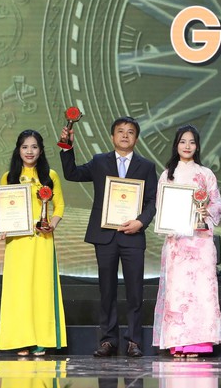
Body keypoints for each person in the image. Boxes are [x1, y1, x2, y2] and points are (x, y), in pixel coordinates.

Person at [59, 116, 157, 357]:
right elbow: (72, 173)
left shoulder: (146, 166)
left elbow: (152, 201)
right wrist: (67, 146)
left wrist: (140, 222)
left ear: (136, 138)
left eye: (130, 132)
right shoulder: (99, 161)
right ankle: (108, 340)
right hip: (105, 236)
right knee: (107, 290)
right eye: (120, 131)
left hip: (133, 235)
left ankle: (134, 341)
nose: (125, 135)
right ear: (112, 136)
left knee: (135, 291)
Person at [152, 125, 221, 358]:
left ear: (197, 146)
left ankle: (200, 343)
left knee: (202, 291)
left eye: (192, 142)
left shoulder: (206, 173)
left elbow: (217, 203)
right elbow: (161, 206)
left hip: (201, 242)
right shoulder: (167, 175)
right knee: (178, 291)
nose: (187, 146)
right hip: (178, 243)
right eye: (183, 141)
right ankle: (178, 342)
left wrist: (206, 211)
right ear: (176, 145)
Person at [0, 130, 66, 356]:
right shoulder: (9, 177)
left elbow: (59, 206)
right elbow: (3, 209)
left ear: (41, 150)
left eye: (34, 147)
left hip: (42, 241)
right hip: (17, 243)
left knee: (41, 289)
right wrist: (2, 229)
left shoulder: (50, 175)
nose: (29, 151)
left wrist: (51, 225)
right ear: (18, 150)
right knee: (19, 290)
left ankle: (41, 339)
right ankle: (21, 339)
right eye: (25, 147)